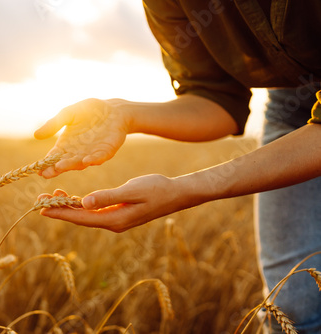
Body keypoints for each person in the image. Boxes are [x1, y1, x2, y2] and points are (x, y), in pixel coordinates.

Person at [33, 1, 321, 333]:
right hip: (292, 101)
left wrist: (185, 189)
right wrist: (125, 114)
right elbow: (214, 98)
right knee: (293, 309)